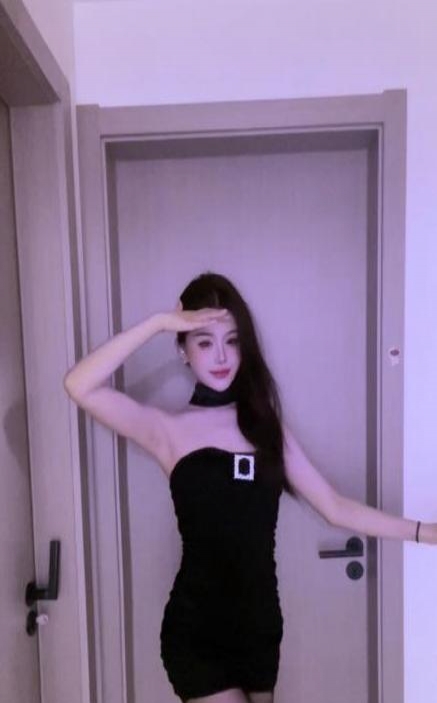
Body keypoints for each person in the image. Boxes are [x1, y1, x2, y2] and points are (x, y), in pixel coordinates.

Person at [64, 271, 436, 703]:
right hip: (197, 630)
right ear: (183, 350)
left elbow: (335, 507)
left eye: (233, 340)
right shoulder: (167, 430)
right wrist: (160, 322)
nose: (221, 355)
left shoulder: (265, 428)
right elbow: (78, 385)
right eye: (204, 342)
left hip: (260, 628)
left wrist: (423, 532)